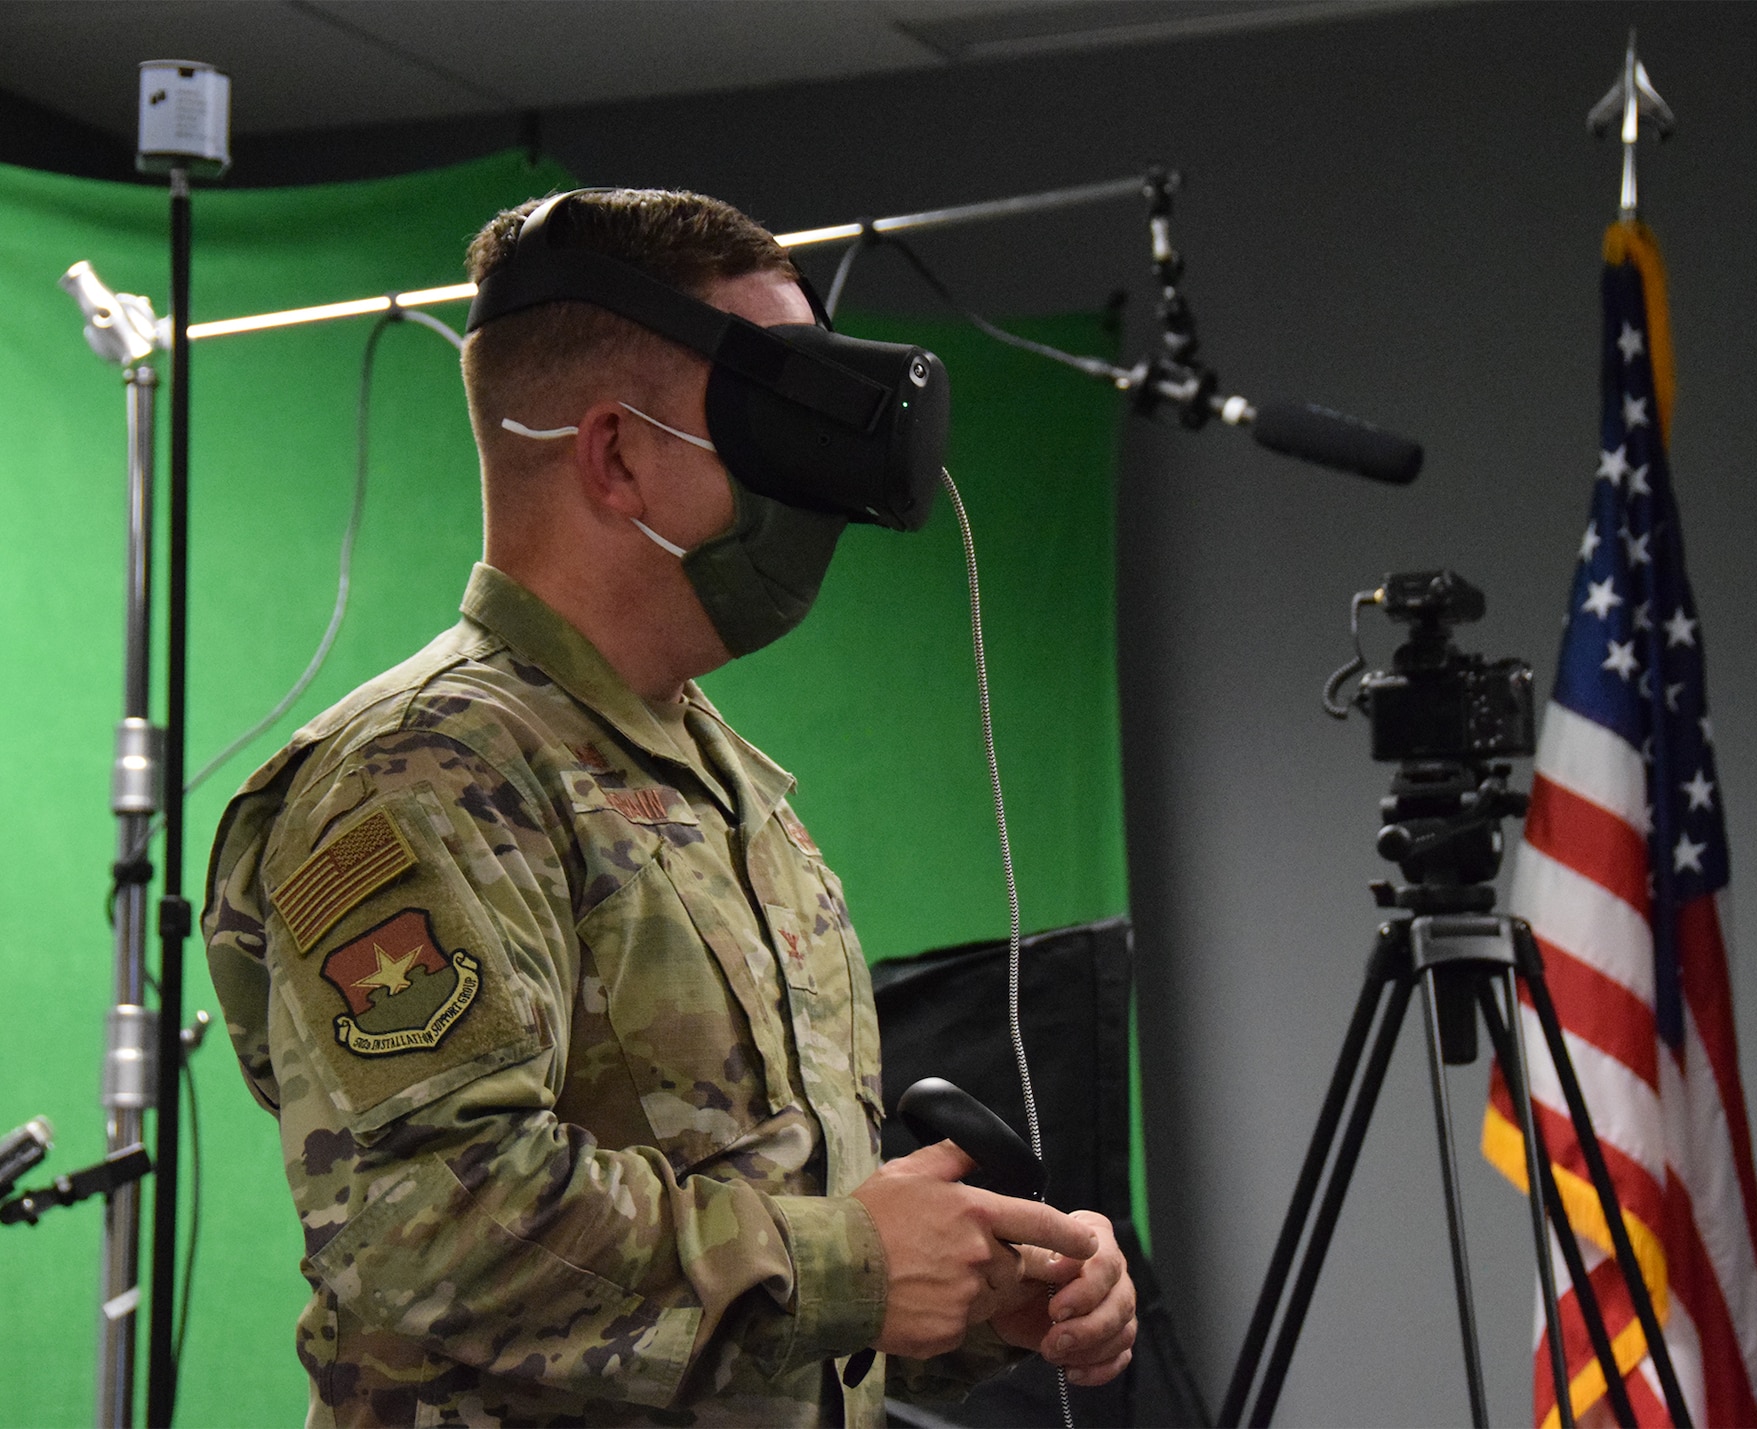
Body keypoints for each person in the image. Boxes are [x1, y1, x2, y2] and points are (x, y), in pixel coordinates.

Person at [203, 187, 1136, 1427]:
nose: (815, 486)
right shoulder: (421, 774)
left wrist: (967, 1289)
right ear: (614, 453)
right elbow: (424, 1222)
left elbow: (750, 1281)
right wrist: (853, 1265)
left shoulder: (725, 786)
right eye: (767, 419)